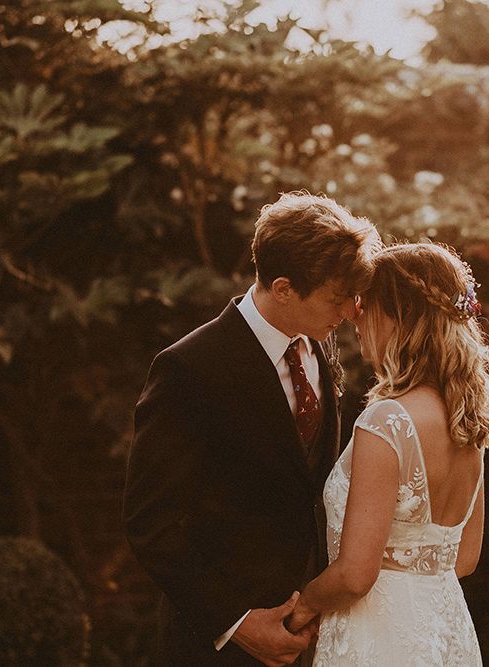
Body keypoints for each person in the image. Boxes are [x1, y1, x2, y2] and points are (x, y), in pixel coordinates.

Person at [122, 192, 380, 666]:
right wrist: (234, 623)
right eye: (335, 298)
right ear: (283, 289)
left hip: (307, 637)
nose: (348, 312)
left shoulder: (320, 350)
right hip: (214, 648)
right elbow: (152, 524)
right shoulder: (188, 368)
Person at [286, 242, 489, 666]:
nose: (354, 315)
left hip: (379, 638)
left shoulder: (388, 422)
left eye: (365, 304)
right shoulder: (468, 417)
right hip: (446, 633)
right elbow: (464, 557)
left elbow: (354, 574)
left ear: (399, 317)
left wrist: (305, 604)